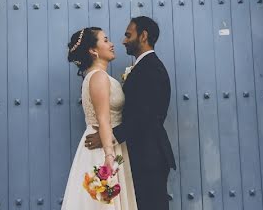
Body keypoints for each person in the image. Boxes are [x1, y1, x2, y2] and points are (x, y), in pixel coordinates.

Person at [85, 17, 176, 210]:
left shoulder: (151, 69)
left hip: (149, 157)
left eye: (128, 35)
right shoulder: (144, 67)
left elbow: (147, 117)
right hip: (141, 155)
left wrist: (108, 137)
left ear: (143, 36)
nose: (123, 41)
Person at [60, 27, 139, 210]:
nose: (111, 44)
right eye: (105, 40)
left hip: (109, 143)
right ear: (93, 50)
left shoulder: (97, 77)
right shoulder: (99, 78)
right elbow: (104, 120)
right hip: (103, 148)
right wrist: (109, 157)